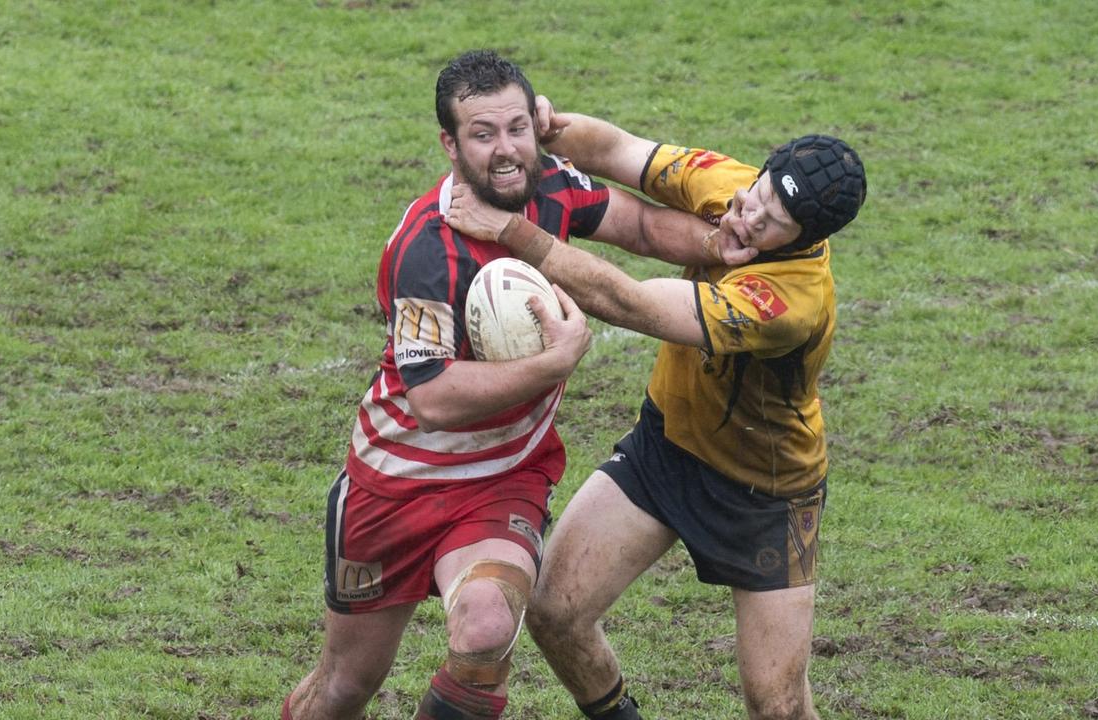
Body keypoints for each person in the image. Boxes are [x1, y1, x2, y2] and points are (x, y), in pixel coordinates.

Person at [282, 51, 723, 720]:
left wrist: (731, 248)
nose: (507, 150)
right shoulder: (429, 250)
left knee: (486, 631)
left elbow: (639, 226)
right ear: (451, 145)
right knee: (344, 688)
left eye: (518, 127)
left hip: (501, 480)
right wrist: (552, 365)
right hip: (393, 484)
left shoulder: (553, 187)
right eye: (483, 135)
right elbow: (431, 397)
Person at [445, 102, 866, 719]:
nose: (747, 218)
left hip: (766, 495)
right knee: (556, 611)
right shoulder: (736, 186)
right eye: (757, 196)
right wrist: (536, 130)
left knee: (775, 705)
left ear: (807, 238)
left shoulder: (789, 303)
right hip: (665, 450)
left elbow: (636, 305)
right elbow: (618, 150)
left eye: (771, 223)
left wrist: (512, 231)